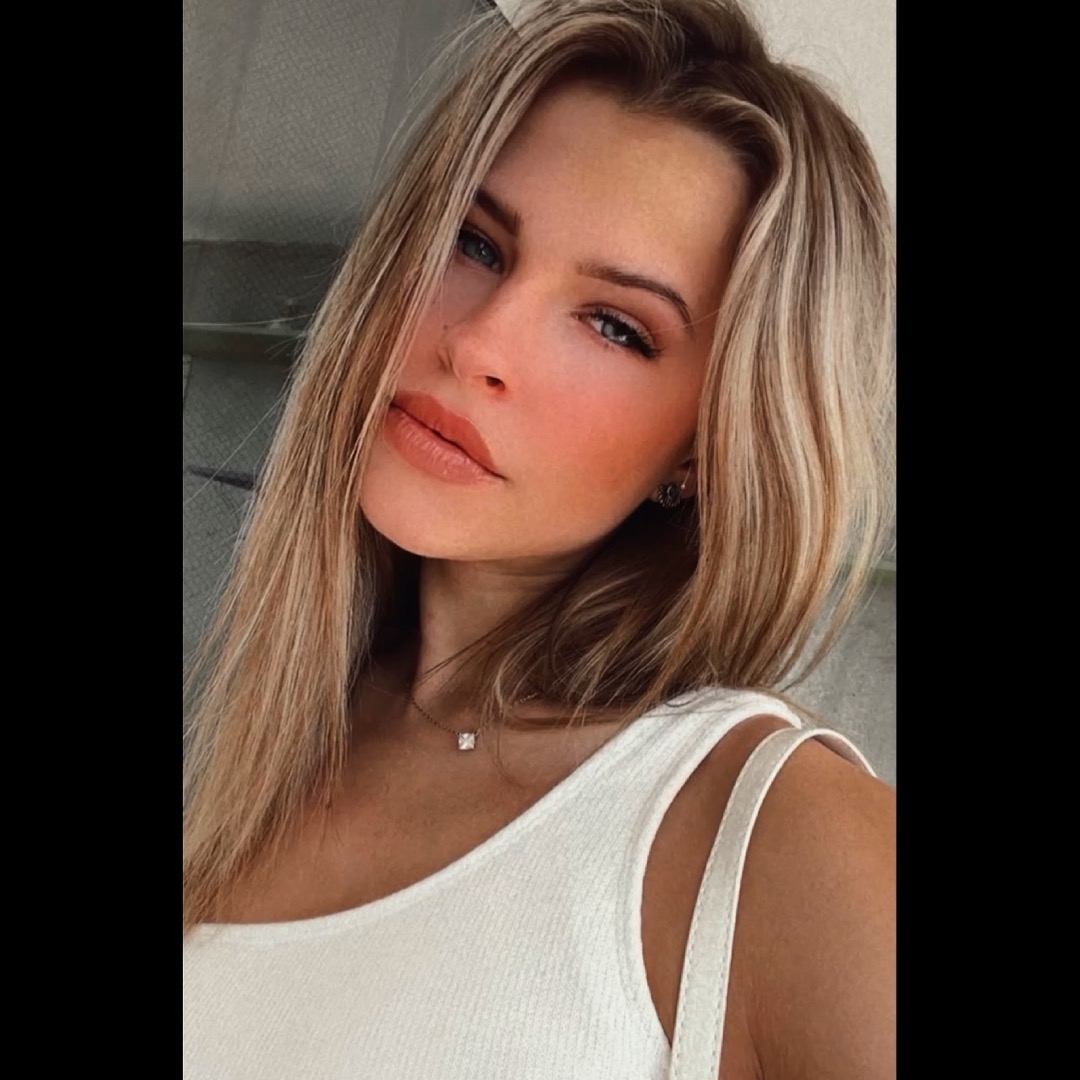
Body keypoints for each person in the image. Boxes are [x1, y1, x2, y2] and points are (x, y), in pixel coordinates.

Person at [183, 1, 895, 1077]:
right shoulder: (276, 731)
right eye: (476, 243)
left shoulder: (770, 834)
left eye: (616, 325)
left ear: (707, 448)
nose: (478, 342)